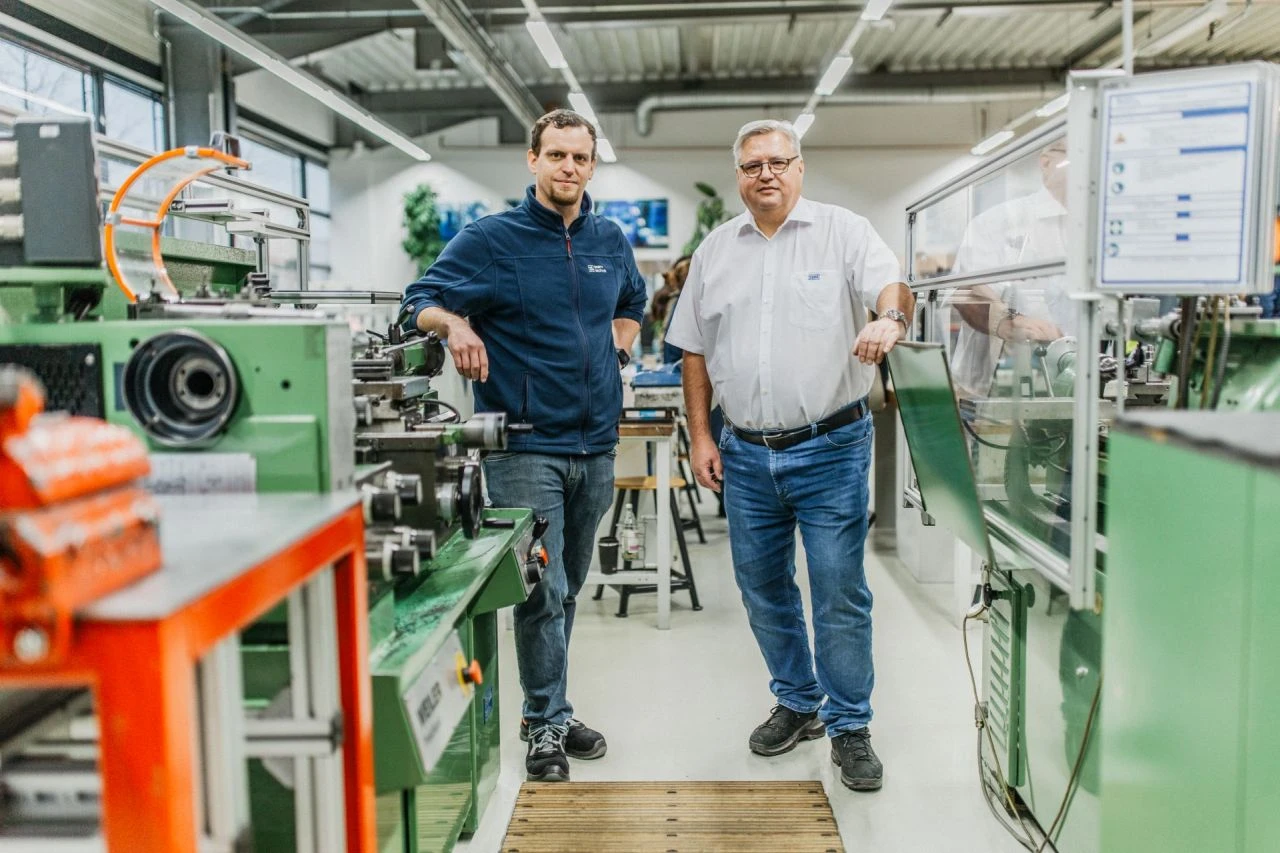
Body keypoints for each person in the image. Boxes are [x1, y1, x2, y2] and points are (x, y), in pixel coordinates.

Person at [666, 119, 914, 792]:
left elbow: (892, 287)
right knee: (761, 586)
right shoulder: (715, 250)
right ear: (739, 176)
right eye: (752, 166)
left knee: (837, 586)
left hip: (831, 445)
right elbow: (692, 346)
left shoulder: (844, 232)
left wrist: (889, 319)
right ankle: (799, 700)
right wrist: (700, 434)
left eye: (778, 162)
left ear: (799, 169)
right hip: (744, 453)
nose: (766, 174)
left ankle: (850, 723)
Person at [400, 109, 647, 783]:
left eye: (582, 158)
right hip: (523, 444)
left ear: (592, 166)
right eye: (558, 155)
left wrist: (619, 350)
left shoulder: (609, 239)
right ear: (532, 160)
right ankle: (544, 722)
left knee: (569, 586)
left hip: (596, 443)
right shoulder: (491, 241)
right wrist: (452, 323)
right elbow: (415, 299)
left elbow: (634, 301)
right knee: (542, 588)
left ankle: (552, 708)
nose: (570, 167)